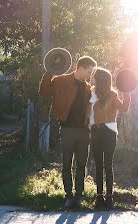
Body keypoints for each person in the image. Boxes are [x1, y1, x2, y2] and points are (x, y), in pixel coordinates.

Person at [39, 55, 97, 208]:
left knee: (81, 165)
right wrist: (50, 71)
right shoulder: (61, 81)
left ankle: (79, 196)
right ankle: (68, 196)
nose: (90, 75)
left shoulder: (88, 88)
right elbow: (43, 90)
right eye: (89, 72)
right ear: (81, 68)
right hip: (67, 129)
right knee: (66, 164)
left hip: (85, 131)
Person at [89, 67, 131, 209]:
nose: (92, 78)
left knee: (106, 165)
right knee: (101, 165)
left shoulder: (112, 95)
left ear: (100, 79)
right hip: (98, 131)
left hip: (107, 132)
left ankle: (107, 197)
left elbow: (124, 108)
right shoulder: (92, 93)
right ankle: (101, 197)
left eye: (94, 76)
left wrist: (127, 92)